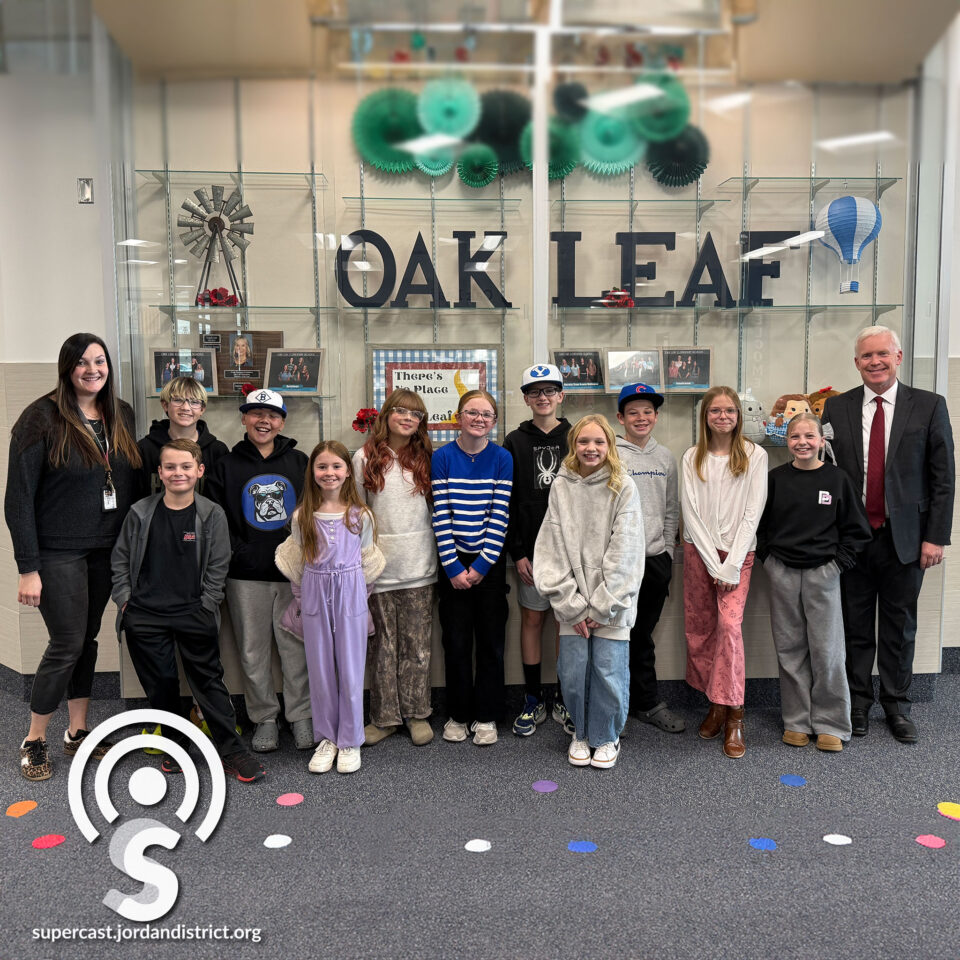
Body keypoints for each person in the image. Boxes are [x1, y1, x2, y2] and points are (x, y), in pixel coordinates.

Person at [5, 333, 141, 781]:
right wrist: (28, 568)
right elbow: (18, 500)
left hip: (106, 548)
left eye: (99, 361)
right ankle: (34, 739)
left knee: (87, 640)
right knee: (66, 642)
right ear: (66, 368)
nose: (92, 370)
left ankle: (78, 731)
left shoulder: (120, 413)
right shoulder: (39, 418)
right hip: (57, 550)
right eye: (82, 362)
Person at [822, 325, 955, 743]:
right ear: (856, 362)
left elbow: (943, 478)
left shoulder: (929, 405)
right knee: (855, 625)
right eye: (866, 356)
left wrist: (936, 537)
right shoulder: (836, 408)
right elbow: (826, 475)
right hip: (853, 540)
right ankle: (858, 704)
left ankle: (897, 705)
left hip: (908, 539)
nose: (875, 362)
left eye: (883, 354)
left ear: (898, 357)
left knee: (900, 626)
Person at [111, 439, 264, 782]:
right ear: (160, 472)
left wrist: (207, 603)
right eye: (170, 467)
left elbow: (219, 564)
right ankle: (175, 744)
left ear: (199, 470)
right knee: (162, 685)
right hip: (145, 616)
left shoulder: (211, 514)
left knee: (208, 682)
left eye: (185, 466)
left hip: (194, 613)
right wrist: (125, 601)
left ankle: (232, 750)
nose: (177, 473)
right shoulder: (140, 513)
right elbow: (120, 560)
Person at [205, 388, 313, 754]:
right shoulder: (226, 465)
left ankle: (301, 715)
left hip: (292, 574)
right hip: (244, 575)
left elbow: (312, 513)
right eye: (256, 413)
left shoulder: (300, 462)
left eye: (272, 415)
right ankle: (264, 717)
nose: (263, 421)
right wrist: (240, 552)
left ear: (282, 422)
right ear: (244, 418)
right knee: (252, 651)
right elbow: (217, 519)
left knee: (296, 649)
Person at [534, 414, 644, 770]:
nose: (591, 448)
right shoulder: (561, 485)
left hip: (612, 603)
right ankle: (580, 733)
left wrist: (602, 605)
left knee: (609, 673)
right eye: (583, 441)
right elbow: (551, 548)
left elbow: (627, 551)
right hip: (573, 604)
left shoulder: (623, 485)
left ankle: (606, 736)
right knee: (573, 672)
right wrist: (572, 604)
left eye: (599, 441)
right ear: (573, 445)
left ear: (610, 445)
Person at [756, 412, 871, 752]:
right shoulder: (775, 480)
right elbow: (758, 527)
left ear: (822, 440)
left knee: (828, 651)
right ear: (786, 441)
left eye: (810, 436)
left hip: (824, 574)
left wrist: (835, 567)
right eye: (795, 436)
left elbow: (857, 531)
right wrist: (770, 561)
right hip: (782, 573)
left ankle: (832, 723)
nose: (802, 442)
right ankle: (797, 721)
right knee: (789, 649)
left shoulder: (838, 479)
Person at [275, 442, 384, 775]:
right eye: (322, 466)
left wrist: (359, 602)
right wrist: (302, 601)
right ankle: (327, 738)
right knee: (320, 669)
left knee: (350, 669)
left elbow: (368, 565)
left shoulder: (361, 515)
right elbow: (297, 567)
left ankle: (350, 739)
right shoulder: (302, 516)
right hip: (314, 594)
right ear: (312, 472)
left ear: (348, 471)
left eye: (336, 466)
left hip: (350, 595)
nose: (329, 473)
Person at [681, 386, 767, 759]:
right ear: (705, 416)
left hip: (738, 555)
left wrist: (730, 564)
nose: (723, 417)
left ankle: (735, 716)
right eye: (715, 411)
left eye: (730, 410)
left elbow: (754, 511)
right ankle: (715, 704)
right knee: (701, 629)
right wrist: (712, 562)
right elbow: (690, 512)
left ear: (738, 416)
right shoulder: (692, 457)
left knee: (730, 628)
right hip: (698, 554)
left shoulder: (755, 455)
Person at [353, 390, 438, 748]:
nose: (407, 418)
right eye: (400, 411)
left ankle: (417, 713)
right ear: (386, 415)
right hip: (379, 569)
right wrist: (362, 561)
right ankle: (384, 717)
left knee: (417, 646)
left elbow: (435, 510)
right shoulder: (364, 457)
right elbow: (356, 514)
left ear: (421, 423)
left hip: (420, 565)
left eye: (415, 414)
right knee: (383, 648)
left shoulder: (428, 458)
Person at [431, 389, 513, 747]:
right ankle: (458, 714)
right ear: (458, 418)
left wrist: (481, 565)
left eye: (486, 414)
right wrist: (452, 566)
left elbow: (500, 514)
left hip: (489, 562)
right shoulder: (442, 457)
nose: (479, 419)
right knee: (456, 642)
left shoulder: (502, 458)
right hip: (452, 562)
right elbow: (441, 514)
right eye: (471, 412)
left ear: (493, 421)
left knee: (491, 643)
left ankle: (487, 715)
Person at [503, 364, 572, 737]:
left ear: (561, 395)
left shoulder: (576, 436)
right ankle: (532, 698)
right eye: (534, 392)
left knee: (566, 624)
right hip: (530, 552)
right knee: (532, 621)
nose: (542, 397)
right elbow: (509, 501)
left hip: (569, 554)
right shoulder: (515, 441)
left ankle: (564, 696)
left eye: (549, 391)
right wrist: (518, 552)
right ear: (526, 399)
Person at [615, 383, 683, 733]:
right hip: (619, 563)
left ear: (656, 417)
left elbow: (671, 510)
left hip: (655, 561)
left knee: (642, 635)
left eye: (647, 412)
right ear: (621, 418)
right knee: (613, 635)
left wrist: (667, 553)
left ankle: (646, 703)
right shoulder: (611, 454)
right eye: (633, 412)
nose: (641, 418)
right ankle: (613, 706)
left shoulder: (665, 458)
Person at [138, 376, 228, 499]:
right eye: (178, 400)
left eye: (194, 402)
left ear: (202, 409)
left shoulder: (218, 451)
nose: (186, 407)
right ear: (165, 405)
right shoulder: (144, 449)